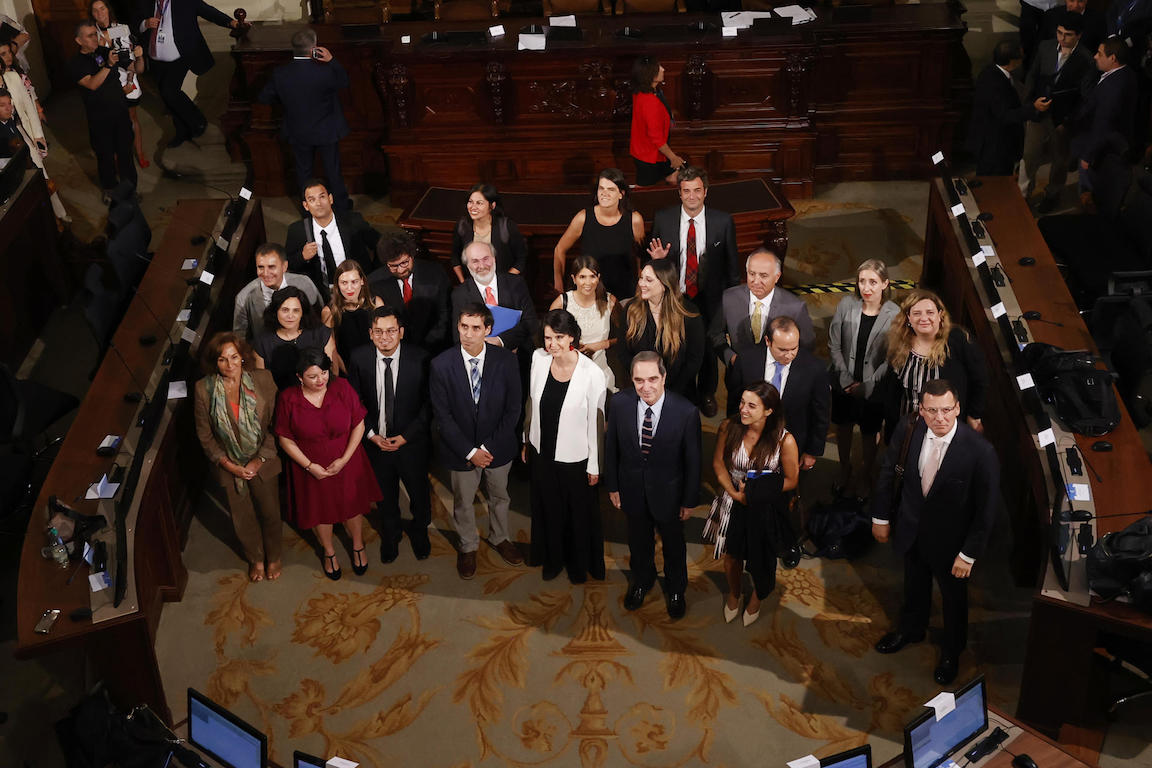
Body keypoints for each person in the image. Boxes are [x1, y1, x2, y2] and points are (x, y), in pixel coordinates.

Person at [871, 379, 1000, 685]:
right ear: (922, 410)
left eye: (946, 410)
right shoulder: (909, 428)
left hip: (952, 544)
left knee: (954, 600)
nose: (939, 418)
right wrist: (880, 516)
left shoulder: (980, 451)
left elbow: (986, 510)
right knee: (913, 584)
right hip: (911, 529)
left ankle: (951, 651)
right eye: (932, 411)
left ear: (957, 408)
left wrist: (968, 554)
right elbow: (889, 471)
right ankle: (911, 629)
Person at [430, 303, 525, 579]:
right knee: (463, 502)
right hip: (461, 451)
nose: (468, 334)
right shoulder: (441, 364)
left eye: (475, 328)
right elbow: (442, 416)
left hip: (498, 448)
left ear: (488, 330)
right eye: (463, 327)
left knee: (499, 497)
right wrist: (471, 452)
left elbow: (513, 410)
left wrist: (487, 448)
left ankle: (500, 537)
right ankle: (468, 545)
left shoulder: (506, 360)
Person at [604, 352, 701, 620]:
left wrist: (689, 501)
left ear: (664, 377)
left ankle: (676, 590)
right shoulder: (621, 403)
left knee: (673, 546)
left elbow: (693, 461)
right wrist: (612, 485)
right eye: (638, 380)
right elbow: (611, 449)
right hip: (632, 490)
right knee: (638, 543)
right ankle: (641, 582)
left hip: (670, 495)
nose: (646, 387)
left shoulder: (686, 412)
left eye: (652, 379)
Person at [275, 348, 381, 579]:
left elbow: (359, 424)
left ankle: (357, 544)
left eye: (323, 373)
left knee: (352, 506)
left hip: (347, 458)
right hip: (310, 466)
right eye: (312, 376)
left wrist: (344, 459)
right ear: (299, 377)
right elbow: (285, 438)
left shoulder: (342, 387)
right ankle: (329, 551)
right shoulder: (288, 399)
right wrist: (309, 466)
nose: (320, 380)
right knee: (320, 511)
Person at [734, 316, 830, 567]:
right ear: (767, 341)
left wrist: (811, 451)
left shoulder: (814, 368)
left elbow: (821, 413)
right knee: (752, 493)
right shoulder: (746, 360)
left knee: (788, 499)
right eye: (783, 350)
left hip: (792, 448)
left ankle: (788, 543)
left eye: (794, 348)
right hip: (752, 445)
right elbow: (735, 401)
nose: (790, 355)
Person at [522, 309, 608, 583]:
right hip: (541, 450)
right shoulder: (538, 359)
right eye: (548, 338)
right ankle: (552, 559)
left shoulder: (591, 374)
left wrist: (594, 465)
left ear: (572, 336)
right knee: (548, 508)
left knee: (575, 514)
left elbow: (596, 423)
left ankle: (576, 564)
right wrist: (526, 440)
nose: (552, 344)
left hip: (575, 458)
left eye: (559, 337)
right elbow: (531, 404)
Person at [703, 381, 799, 626]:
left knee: (762, 558)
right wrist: (735, 495)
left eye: (752, 406)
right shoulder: (729, 427)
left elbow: (791, 480)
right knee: (732, 556)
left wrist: (756, 493)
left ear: (768, 411)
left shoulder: (784, 440)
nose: (743, 409)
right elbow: (717, 464)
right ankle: (734, 594)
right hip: (733, 498)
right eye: (742, 402)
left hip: (765, 505)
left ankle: (757, 597)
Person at [647, 166, 740, 416]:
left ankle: (707, 392)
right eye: (686, 191)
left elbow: (732, 267)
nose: (691, 196)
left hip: (710, 297)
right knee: (678, 344)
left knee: (709, 346)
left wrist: (733, 305)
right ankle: (684, 391)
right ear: (679, 193)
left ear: (705, 192)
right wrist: (658, 260)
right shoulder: (663, 218)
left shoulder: (723, 221)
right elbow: (653, 263)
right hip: (676, 296)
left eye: (697, 190)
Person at [193, 332, 283, 583]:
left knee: (270, 512)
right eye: (222, 359)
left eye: (234, 357)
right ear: (215, 362)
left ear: (243, 357)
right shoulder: (203, 389)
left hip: (263, 459)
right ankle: (255, 558)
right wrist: (230, 465)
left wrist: (260, 459)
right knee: (243, 517)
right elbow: (205, 436)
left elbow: (278, 425)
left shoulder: (263, 379)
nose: (230, 364)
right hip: (228, 464)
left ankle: (274, 555)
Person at [348, 307, 433, 562]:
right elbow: (355, 402)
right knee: (385, 497)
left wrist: (407, 436)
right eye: (379, 332)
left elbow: (429, 404)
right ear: (371, 334)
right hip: (376, 443)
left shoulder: (421, 359)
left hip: (412, 443)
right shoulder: (359, 357)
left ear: (401, 332)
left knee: (419, 494)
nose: (385, 337)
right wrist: (371, 435)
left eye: (391, 331)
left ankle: (420, 533)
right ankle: (392, 535)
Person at [827, 259, 901, 497]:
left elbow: (891, 358)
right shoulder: (846, 304)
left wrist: (868, 384)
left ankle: (865, 473)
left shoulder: (894, 313)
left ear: (885, 284)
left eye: (873, 282)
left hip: (874, 387)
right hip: (843, 382)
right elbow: (834, 344)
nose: (866, 287)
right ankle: (843, 468)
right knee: (844, 427)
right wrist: (847, 380)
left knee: (870, 432)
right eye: (862, 281)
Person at [257, 28, 351, 212]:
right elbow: (344, 82)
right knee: (332, 171)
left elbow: (263, 97)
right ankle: (341, 207)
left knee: (304, 173)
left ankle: (308, 212)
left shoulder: (280, 73)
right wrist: (332, 61)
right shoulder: (325, 71)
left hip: (298, 131)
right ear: (314, 48)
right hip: (326, 130)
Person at [714, 248, 815, 415]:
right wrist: (731, 358)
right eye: (751, 274)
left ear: (777, 277)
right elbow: (715, 335)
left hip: (776, 381)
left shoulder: (795, 307)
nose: (755, 281)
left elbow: (807, 346)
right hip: (740, 380)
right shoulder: (729, 298)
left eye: (763, 276)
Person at [882, 289, 988, 441]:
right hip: (909, 429)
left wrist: (974, 415)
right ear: (908, 318)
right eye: (917, 313)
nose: (924, 318)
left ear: (940, 316)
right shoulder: (900, 344)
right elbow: (893, 391)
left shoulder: (958, 340)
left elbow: (980, 379)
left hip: (944, 429)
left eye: (930, 312)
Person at [134, 0, 240, 147]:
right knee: (167, 98)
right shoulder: (145, 3)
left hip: (179, 57)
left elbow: (208, 11)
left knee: (169, 91)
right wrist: (145, 23)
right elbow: (134, 23)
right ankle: (181, 131)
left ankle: (197, 121)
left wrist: (232, 22)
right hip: (154, 58)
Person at [1018, 12, 1095, 212]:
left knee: (1060, 160)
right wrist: (1029, 105)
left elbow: (1085, 99)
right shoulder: (1045, 47)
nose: (1062, 38)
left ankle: (1053, 195)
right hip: (1038, 112)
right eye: (1059, 32)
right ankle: (1023, 194)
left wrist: (1068, 122)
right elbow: (1032, 76)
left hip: (1063, 121)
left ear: (1078, 35)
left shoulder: (1086, 60)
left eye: (1068, 34)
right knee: (1029, 154)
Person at [620, 259, 706, 402]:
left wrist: (669, 392)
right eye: (641, 278)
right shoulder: (631, 310)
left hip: (679, 391)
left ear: (664, 285)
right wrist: (643, 384)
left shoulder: (688, 313)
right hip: (642, 392)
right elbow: (623, 353)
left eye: (649, 280)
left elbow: (694, 359)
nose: (642, 284)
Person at [67, 20, 137, 196]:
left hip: (120, 113)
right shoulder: (76, 63)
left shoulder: (104, 52)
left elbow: (131, 66)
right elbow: (91, 84)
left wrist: (139, 57)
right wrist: (109, 66)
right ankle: (110, 189)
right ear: (78, 41)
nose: (95, 38)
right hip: (100, 119)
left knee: (125, 155)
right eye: (90, 36)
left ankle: (130, 189)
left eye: (95, 34)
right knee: (105, 156)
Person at [553, 168, 645, 300]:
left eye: (611, 189)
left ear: (621, 194)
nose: (604, 193)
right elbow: (559, 249)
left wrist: (640, 287)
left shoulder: (634, 220)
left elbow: (640, 258)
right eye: (601, 188)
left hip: (624, 295)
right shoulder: (583, 217)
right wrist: (559, 284)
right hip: (589, 296)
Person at [285, 178, 381, 300]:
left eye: (322, 197)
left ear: (330, 198)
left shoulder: (353, 221)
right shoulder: (297, 231)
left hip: (357, 290)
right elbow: (288, 264)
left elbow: (381, 244)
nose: (318, 203)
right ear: (306, 205)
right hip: (321, 295)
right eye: (312, 200)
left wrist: (372, 276)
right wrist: (302, 256)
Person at [1072, 38, 1139, 208]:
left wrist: (1088, 155)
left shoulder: (1114, 87)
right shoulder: (1126, 73)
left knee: (1092, 191)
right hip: (1108, 144)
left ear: (1113, 58)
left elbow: (1104, 124)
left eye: (1100, 54)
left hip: (1100, 150)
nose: (1095, 57)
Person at [450, 240, 539, 354]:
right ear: (468, 265)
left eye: (486, 259)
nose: (482, 266)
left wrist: (501, 341)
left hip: (518, 355)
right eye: (475, 261)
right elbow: (458, 336)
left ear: (494, 258)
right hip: (480, 358)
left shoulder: (516, 283)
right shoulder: (459, 294)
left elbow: (530, 323)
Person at [369, 231, 451, 353]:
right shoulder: (375, 282)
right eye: (394, 266)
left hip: (434, 346)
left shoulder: (435, 273)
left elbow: (445, 314)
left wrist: (429, 345)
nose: (401, 270)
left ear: (412, 256)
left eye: (404, 263)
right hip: (397, 350)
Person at [965, 40, 1035, 176]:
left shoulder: (989, 72)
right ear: (1013, 61)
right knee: (996, 186)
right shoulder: (997, 83)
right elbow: (1005, 115)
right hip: (996, 147)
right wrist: (1033, 109)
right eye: (1021, 57)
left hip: (991, 143)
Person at [549, 255, 618, 392]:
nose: (588, 282)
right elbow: (548, 338)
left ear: (598, 277)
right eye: (582, 277)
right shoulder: (562, 302)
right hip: (567, 371)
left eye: (592, 276)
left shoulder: (609, 301)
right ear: (574, 279)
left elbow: (627, 336)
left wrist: (600, 345)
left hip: (600, 371)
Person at [91, 0, 148, 168]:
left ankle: (139, 152)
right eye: (95, 11)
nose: (100, 13)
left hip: (127, 81)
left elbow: (130, 61)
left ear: (108, 10)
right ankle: (116, 157)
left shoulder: (120, 28)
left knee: (131, 118)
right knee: (111, 123)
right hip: (105, 84)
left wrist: (129, 83)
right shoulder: (91, 33)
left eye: (102, 8)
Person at [251, 285, 336, 390]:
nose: (290, 316)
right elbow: (263, 383)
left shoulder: (320, 333)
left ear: (302, 313)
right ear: (275, 311)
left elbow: (333, 372)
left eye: (296, 310)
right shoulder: (263, 342)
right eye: (285, 310)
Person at [0, 89, 67, 221]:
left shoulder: (10, 122)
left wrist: (37, 172)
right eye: (2, 105)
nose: (9, 108)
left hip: (27, 174)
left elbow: (24, 152)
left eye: (9, 103)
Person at [233, 243, 321, 340]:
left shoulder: (304, 284)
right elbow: (240, 339)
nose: (266, 273)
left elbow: (320, 318)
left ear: (284, 266)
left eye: (271, 267)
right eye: (261, 267)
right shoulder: (244, 298)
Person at [449, 183, 528, 282]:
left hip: (503, 282)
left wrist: (504, 282)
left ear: (492, 206)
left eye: (479, 203)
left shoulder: (506, 226)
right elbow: (455, 256)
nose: (473, 207)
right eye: (470, 202)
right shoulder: (462, 226)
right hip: (472, 284)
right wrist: (463, 282)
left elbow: (521, 259)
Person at [321, 260, 383, 375]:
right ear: (337, 285)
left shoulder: (375, 304)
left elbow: (384, 338)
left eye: (354, 282)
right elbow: (331, 350)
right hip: (347, 369)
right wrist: (347, 373)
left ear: (362, 281)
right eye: (344, 283)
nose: (349, 288)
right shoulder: (330, 311)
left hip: (377, 366)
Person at [629, 56, 684, 186]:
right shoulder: (650, 102)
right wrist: (673, 158)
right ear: (650, 74)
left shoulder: (644, 93)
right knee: (645, 195)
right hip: (648, 156)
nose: (663, 69)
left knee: (677, 176)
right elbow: (656, 137)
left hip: (653, 154)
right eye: (659, 67)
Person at [0, 41, 44, 126]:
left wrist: (39, 110)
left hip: (30, 113)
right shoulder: (3, 79)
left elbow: (31, 91)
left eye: (9, 52)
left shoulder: (17, 72)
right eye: (3, 54)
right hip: (15, 120)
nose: (9, 56)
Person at [1041, 0, 1106, 54]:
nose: (1075, 5)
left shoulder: (1098, 20)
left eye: (1080, 1)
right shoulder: (1051, 16)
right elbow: (1041, 44)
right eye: (1071, 0)